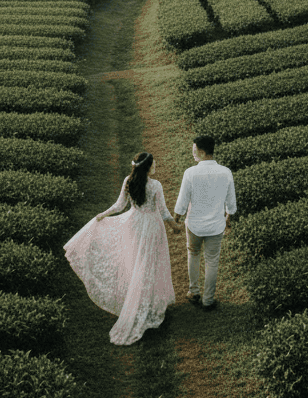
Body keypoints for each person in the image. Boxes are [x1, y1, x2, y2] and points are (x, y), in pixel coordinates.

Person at [64, 150, 183, 346]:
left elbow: (119, 205)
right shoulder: (155, 185)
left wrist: (103, 215)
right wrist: (174, 227)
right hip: (152, 227)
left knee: (135, 262)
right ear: (148, 167)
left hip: (134, 225)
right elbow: (162, 211)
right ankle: (148, 302)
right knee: (149, 263)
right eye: (154, 164)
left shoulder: (129, 181)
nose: (156, 167)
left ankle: (136, 300)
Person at [173, 135, 237, 312]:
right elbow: (231, 202)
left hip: (194, 224)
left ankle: (193, 292)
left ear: (201, 152)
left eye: (194, 150)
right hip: (216, 225)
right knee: (212, 262)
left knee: (193, 254)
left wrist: (176, 221)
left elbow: (182, 201)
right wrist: (228, 219)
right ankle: (208, 300)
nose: (192, 153)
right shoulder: (225, 172)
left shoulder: (190, 173)